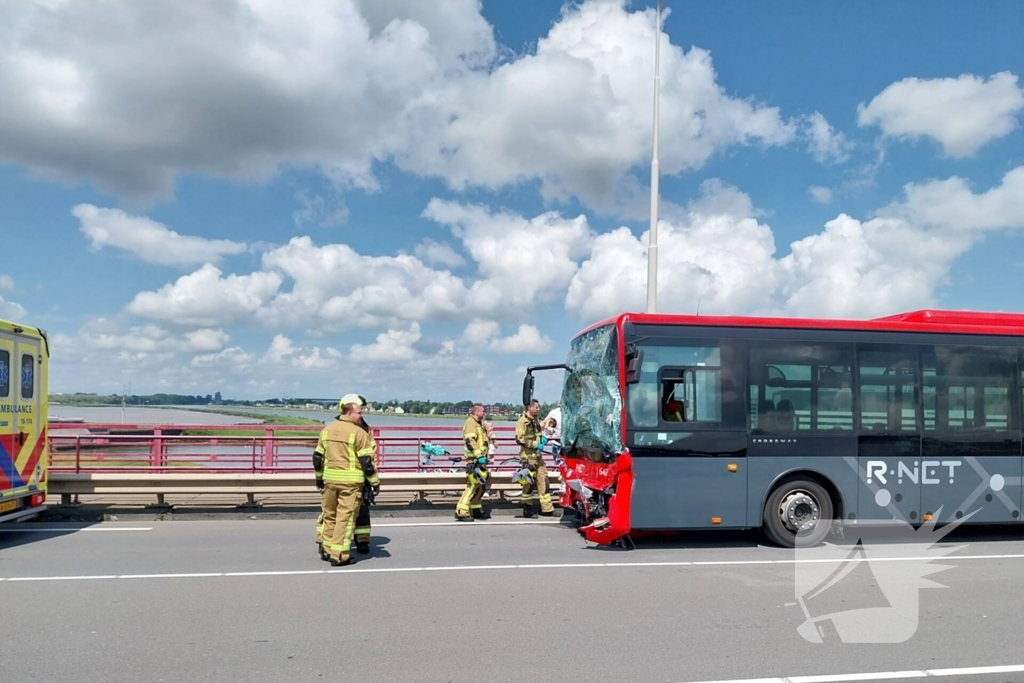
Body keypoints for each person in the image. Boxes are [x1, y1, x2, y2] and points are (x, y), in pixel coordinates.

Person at [312, 396, 379, 566]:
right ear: (349, 412)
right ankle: (340, 555)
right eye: (359, 412)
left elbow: (317, 458)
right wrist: (374, 482)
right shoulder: (359, 432)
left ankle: (327, 551)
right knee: (345, 519)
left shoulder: (327, 430)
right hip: (350, 484)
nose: (362, 415)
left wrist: (319, 479)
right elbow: (367, 462)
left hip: (329, 481)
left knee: (330, 516)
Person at [515, 399, 555, 518]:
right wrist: (536, 444)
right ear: (529, 408)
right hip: (528, 457)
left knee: (544, 481)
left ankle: (547, 509)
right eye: (536, 407)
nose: (538, 409)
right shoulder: (522, 422)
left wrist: (542, 439)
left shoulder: (535, 420)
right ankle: (528, 509)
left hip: (538, 457)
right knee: (528, 484)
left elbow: (537, 434)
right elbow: (520, 439)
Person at [455, 403, 490, 521]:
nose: (484, 413)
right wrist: (479, 456)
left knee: (480, 488)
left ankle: (476, 510)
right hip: (474, 461)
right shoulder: (470, 423)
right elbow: (470, 441)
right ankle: (461, 511)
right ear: (477, 412)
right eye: (482, 411)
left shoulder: (478, 424)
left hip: (480, 461)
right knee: (472, 486)